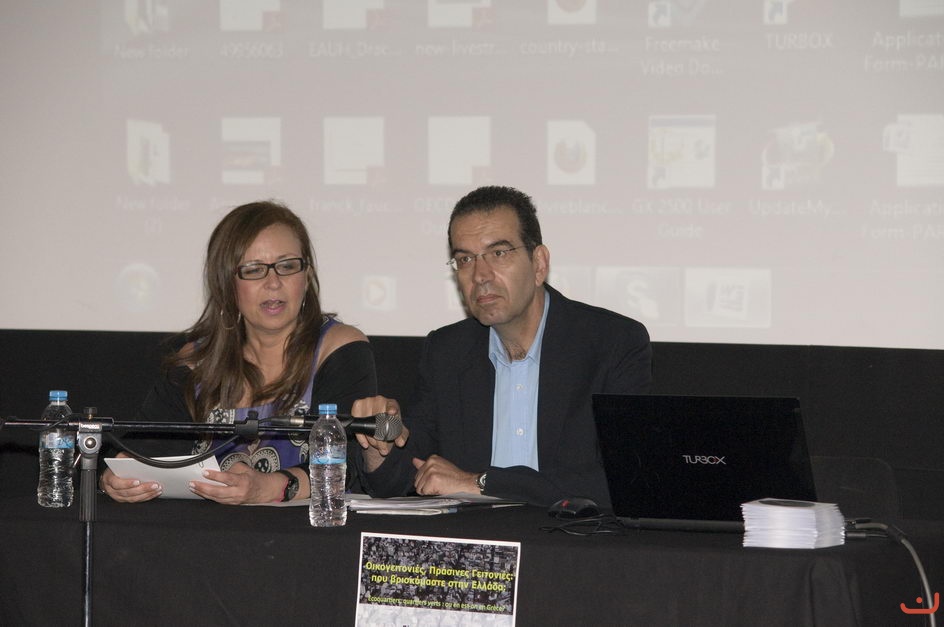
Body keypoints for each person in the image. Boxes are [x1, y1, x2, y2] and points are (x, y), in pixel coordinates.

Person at [355, 185, 651, 507]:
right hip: (475, 536)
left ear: (539, 264)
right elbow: (400, 476)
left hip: (568, 534)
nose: (480, 275)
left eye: (498, 253)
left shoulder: (612, 343)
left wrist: (479, 482)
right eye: (465, 259)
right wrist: (379, 437)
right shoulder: (447, 351)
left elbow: (627, 478)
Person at [100, 200, 378, 505]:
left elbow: (350, 464)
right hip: (206, 529)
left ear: (307, 274)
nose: (273, 283)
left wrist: (271, 487)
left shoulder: (337, 347)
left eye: (287, 266)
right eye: (253, 270)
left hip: (307, 530)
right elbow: (138, 452)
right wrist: (116, 479)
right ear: (226, 283)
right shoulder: (197, 363)